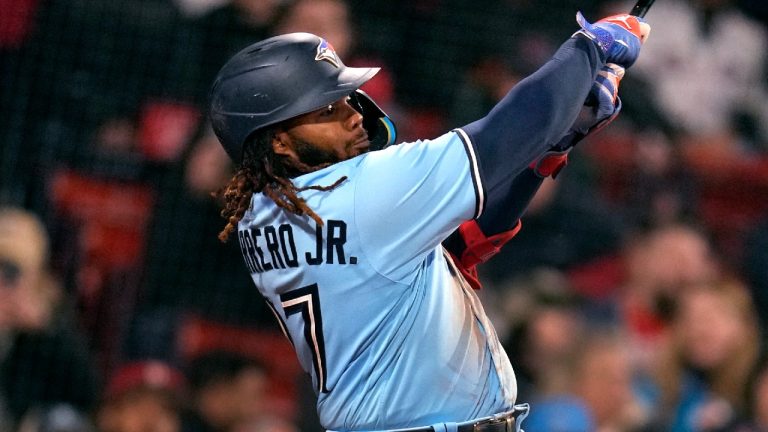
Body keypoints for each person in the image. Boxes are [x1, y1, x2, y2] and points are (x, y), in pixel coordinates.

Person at [205, 10, 650, 430]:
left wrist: (554, 145)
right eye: (326, 111)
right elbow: (507, 133)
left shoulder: (261, 214)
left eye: (344, 99)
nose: (354, 114)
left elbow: (455, 249)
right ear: (279, 143)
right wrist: (587, 48)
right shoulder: (361, 190)